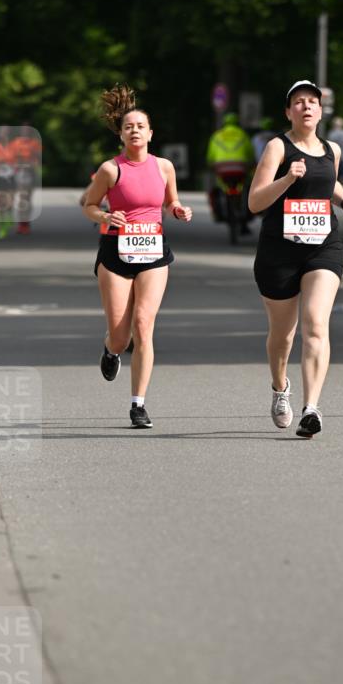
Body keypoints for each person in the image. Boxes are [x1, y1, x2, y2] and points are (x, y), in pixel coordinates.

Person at [248, 80, 343, 438]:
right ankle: (280, 387)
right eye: (299, 102)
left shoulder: (332, 149)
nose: (307, 107)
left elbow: (327, 182)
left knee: (316, 324)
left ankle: (311, 408)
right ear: (289, 112)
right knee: (283, 335)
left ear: (320, 110)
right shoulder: (277, 147)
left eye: (312, 102)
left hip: (322, 247)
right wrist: (286, 178)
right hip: (278, 252)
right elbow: (254, 202)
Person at [82, 83, 192, 429]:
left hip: (153, 251)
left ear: (150, 133)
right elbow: (88, 205)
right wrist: (105, 216)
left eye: (140, 126)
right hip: (116, 252)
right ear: (121, 134)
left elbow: (171, 200)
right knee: (121, 335)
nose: (135, 131)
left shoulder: (163, 167)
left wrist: (178, 210)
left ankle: (138, 404)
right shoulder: (110, 170)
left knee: (144, 325)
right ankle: (111, 349)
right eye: (128, 126)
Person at [206, 112, 255, 233]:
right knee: (244, 188)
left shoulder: (217, 135)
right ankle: (243, 212)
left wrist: (211, 165)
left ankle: (220, 209)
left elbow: (210, 156)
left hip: (222, 169)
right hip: (240, 168)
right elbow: (250, 154)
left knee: (220, 187)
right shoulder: (243, 135)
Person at [11, 124, 41, 234]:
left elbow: (38, 157)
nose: (25, 132)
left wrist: (33, 157)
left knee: (27, 198)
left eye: (28, 130)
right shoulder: (15, 143)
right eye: (24, 130)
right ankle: (21, 223)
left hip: (30, 172)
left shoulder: (34, 143)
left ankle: (26, 223)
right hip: (19, 171)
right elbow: (11, 157)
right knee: (22, 198)